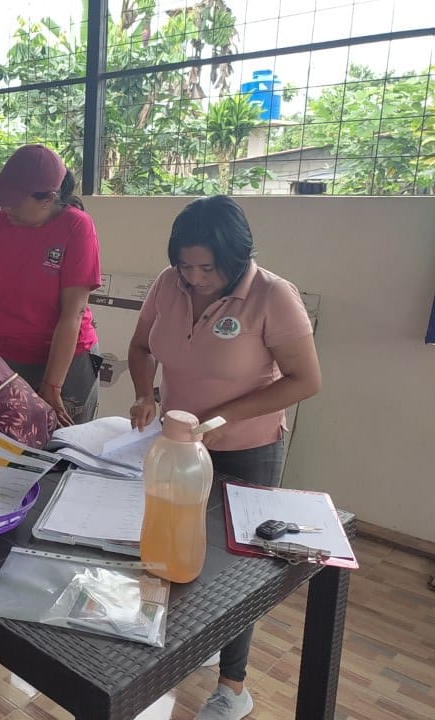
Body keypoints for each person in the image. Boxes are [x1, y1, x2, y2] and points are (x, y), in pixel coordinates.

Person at [127, 195, 322, 720]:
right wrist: (145, 394)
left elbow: (306, 380)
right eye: (184, 266)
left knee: (240, 568)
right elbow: (141, 348)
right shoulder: (169, 285)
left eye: (207, 268)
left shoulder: (272, 296)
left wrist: (223, 418)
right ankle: (198, 641)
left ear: (235, 258)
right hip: (179, 450)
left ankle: (233, 688)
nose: (194, 279)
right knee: (178, 543)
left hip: (248, 450)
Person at [0, 144, 102, 425]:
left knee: (63, 443)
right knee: (10, 441)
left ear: (48, 199)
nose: (5, 208)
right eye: (3, 200)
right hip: (10, 358)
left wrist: (52, 385)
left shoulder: (76, 226)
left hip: (67, 363)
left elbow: (73, 313)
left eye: (15, 202)